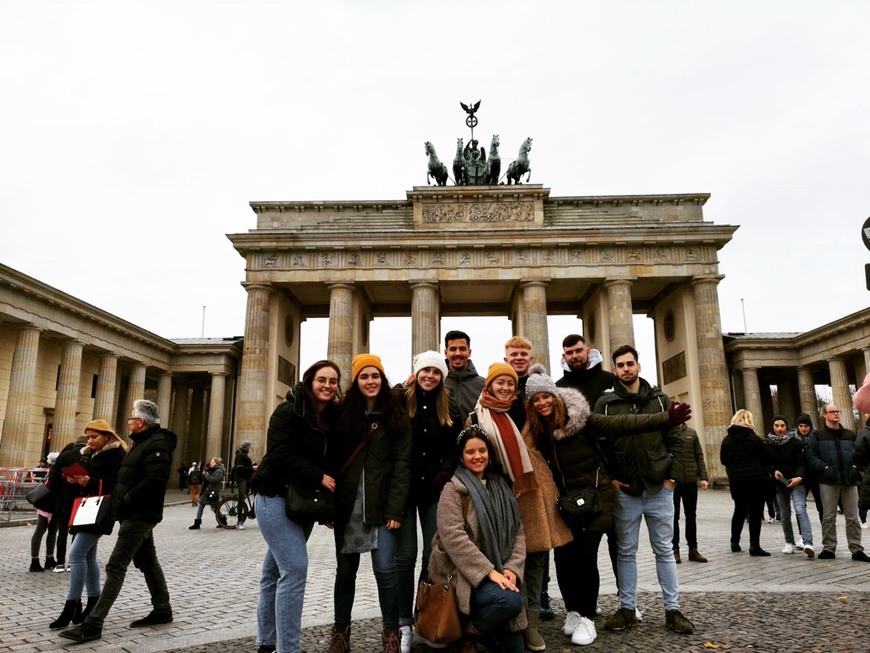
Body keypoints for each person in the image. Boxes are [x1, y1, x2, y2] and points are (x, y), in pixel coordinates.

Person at [522, 364, 691, 646]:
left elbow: (623, 425)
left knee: (586, 557)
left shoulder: (583, 422)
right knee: (565, 558)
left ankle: (588, 618)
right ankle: (574, 611)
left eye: (546, 396)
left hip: (594, 497)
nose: (542, 403)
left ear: (555, 396)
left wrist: (666, 419)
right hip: (562, 503)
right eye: (536, 399)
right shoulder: (538, 430)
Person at [594, 345, 693, 635]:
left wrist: (671, 479)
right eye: (620, 365)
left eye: (630, 364)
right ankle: (627, 608)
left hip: (659, 488)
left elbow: (677, 440)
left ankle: (672, 610)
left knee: (664, 549)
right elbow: (599, 446)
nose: (626, 369)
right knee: (626, 551)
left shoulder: (661, 400)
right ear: (614, 370)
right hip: (626, 489)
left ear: (639, 366)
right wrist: (611, 478)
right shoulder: (606, 403)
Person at [60, 399, 176, 643]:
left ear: (141, 422)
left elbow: (156, 480)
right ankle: (162, 609)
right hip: (132, 512)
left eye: (132, 417)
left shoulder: (156, 445)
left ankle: (93, 623)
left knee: (115, 566)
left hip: (139, 514)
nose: (129, 421)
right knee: (148, 561)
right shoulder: (142, 443)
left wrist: (127, 500)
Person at [251, 360, 341, 653]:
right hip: (274, 495)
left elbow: (331, 462)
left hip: (302, 503)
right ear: (309, 381)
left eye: (333, 381)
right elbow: (278, 454)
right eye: (321, 380)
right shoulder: (288, 411)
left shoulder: (330, 418)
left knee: (274, 573)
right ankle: (287, 649)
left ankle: (267, 643)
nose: (327, 385)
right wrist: (318, 477)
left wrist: (328, 506)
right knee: (295, 569)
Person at [469, 362, 555, 650]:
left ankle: (531, 623)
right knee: (505, 558)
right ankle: (509, 620)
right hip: (497, 498)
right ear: (489, 385)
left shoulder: (524, 410)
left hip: (529, 493)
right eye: (499, 383)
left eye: (509, 383)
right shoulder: (477, 416)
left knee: (536, 557)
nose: (505, 388)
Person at [329, 354, 412, 653]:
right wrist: (328, 506)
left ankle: (390, 632)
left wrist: (395, 508)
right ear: (356, 381)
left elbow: (403, 465)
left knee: (385, 571)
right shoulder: (341, 415)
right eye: (364, 376)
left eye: (375, 375)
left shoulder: (396, 415)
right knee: (345, 571)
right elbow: (331, 460)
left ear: (382, 378)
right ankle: (341, 630)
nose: (370, 381)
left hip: (381, 506)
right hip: (348, 504)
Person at [428, 425, 526, 653]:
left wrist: (512, 568)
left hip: (501, 571)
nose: (477, 456)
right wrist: (489, 571)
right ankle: (469, 633)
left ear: (490, 453)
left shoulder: (501, 487)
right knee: (510, 601)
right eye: (470, 452)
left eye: (482, 450)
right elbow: (454, 539)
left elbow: (518, 533)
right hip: (463, 575)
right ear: (461, 456)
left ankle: (483, 630)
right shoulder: (453, 490)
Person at [394, 350, 462, 652]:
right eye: (426, 371)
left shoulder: (451, 406)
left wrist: (446, 470)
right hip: (405, 491)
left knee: (431, 556)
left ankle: (424, 614)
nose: (431, 376)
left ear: (441, 376)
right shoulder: (399, 401)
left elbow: (456, 443)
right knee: (405, 557)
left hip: (436, 489)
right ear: (417, 373)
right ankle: (402, 623)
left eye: (436, 372)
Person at [50, 420, 127, 629]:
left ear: (107, 437)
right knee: (88, 556)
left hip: (101, 510)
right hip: (87, 508)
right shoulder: (91, 454)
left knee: (75, 555)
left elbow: (118, 484)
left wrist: (89, 482)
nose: (90, 440)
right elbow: (91, 480)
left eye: (94, 437)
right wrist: (78, 481)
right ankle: (93, 600)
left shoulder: (117, 455)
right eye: (89, 437)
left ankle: (72, 604)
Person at [805, 404, 869, 561]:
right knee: (828, 516)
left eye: (837, 411)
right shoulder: (817, 435)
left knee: (853, 517)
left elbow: (861, 452)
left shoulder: (849, 434)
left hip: (850, 479)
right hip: (828, 480)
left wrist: (857, 468)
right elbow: (810, 454)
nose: (836, 414)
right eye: (832, 411)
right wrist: (823, 467)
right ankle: (829, 548)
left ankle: (856, 549)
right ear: (824, 415)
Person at [720, 409, 772, 556]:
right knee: (755, 513)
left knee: (739, 511)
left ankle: (734, 542)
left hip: (737, 480)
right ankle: (754, 546)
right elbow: (766, 458)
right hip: (756, 480)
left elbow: (723, 460)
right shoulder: (754, 438)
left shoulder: (726, 439)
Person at [766, 415, 815, 558]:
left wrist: (799, 477)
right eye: (777, 426)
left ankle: (808, 542)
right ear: (773, 427)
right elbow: (767, 463)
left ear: (786, 426)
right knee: (785, 514)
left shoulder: (796, 443)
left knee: (800, 509)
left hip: (797, 481)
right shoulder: (769, 444)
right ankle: (789, 542)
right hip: (781, 483)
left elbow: (802, 463)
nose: (780, 429)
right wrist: (773, 471)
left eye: (782, 425)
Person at [48, 434, 89, 573]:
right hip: (81, 500)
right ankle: (73, 562)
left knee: (63, 532)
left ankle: (60, 563)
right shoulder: (89, 457)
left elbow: (53, 477)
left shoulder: (64, 455)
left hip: (64, 499)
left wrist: (60, 489)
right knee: (77, 532)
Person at [672, 425, 709, 563]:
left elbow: (699, 455)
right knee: (673, 517)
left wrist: (703, 477)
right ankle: (674, 549)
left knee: (691, 516)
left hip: (690, 481)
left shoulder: (692, 433)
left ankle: (693, 549)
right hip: (673, 482)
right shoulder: (667, 431)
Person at [555, 334, 615, 406]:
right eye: (570, 353)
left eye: (579, 351)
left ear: (588, 351)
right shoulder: (558, 388)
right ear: (564, 356)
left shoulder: (610, 380)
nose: (575, 356)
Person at [443, 330, 486, 416]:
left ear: (469, 352)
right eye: (453, 349)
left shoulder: (485, 385)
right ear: (446, 353)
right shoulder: (438, 383)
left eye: (462, 349)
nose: (458, 353)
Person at [29, 451, 59, 572]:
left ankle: (49, 558)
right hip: (47, 505)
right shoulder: (55, 471)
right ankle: (35, 560)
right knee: (41, 531)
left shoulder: (53, 470)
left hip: (52, 505)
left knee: (52, 532)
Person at [795, 412, 823, 524]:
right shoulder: (793, 439)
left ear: (810, 426)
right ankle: (803, 534)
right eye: (801, 426)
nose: (803, 429)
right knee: (800, 508)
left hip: (816, 476)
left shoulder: (818, 437)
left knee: (821, 506)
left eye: (806, 426)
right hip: (800, 477)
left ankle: (825, 531)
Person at [503, 336, 534, 429]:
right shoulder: (498, 388)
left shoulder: (539, 387)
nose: (519, 358)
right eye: (514, 354)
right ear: (506, 360)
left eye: (524, 354)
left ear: (530, 359)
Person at [189, 457, 226, 529]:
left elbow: (215, 480)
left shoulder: (219, 471)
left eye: (213, 462)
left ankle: (223, 520)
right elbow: (207, 480)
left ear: (217, 463)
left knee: (215, 508)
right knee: (201, 505)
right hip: (206, 491)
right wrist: (205, 474)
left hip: (212, 492)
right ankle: (197, 523)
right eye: (211, 462)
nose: (211, 464)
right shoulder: (211, 470)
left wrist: (207, 475)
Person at [232, 440, 255, 530]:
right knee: (241, 498)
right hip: (241, 479)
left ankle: (252, 511)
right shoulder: (241, 455)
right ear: (246, 447)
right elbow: (240, 468)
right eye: (249, 447)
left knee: (254, 491)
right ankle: (239, 521)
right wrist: (252, 468)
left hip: (246, 479)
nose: (250, 448)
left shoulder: (243, 455)